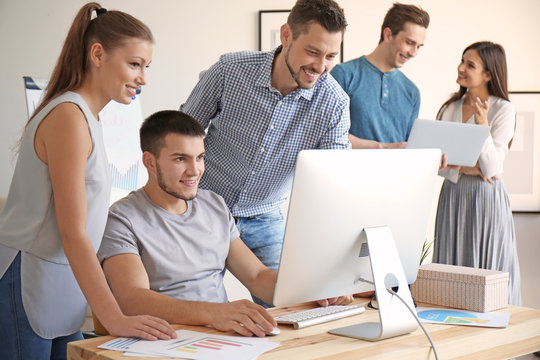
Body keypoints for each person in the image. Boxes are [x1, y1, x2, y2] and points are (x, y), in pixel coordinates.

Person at [0, 3, 176, 359]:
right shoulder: (69, 116)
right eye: (134, 64)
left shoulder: (87, 116)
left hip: (61, 280)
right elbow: (73, 231)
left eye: (146, 67)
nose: (143, 78)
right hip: (32, 277)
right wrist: (114, 317)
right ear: (98, 54)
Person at [97, 110, 353, 337]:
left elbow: (256, 275)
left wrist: (311, 290)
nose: (195, 170)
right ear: (150, 162)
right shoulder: (122, 218)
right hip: (166, 340)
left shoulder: (214, 205)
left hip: (222, 338)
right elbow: (132, 299)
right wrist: (214, 314)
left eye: (199, 157)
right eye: (180, 159)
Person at [180, 0, 350, 307]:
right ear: (286, 35)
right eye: (312, 51)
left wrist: (332, 266)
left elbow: (333, 184)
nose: (320, 66)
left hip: (266, 213)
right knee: (194, 307)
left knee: (292, 308)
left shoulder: (334, 103)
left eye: (330, 56)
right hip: (204, 207)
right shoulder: (230, 71)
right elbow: (181, 135)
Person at [433, 41, 521, 305]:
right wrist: (469, 167)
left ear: (488, 74)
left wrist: (482, 126)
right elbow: (440, 165)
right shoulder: (449, 108)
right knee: (451, 272)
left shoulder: (503, 109)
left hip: (485, 199)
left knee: (487, 274)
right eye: (462, 61)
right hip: (453, 194)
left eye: (469, 64)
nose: (461, 68)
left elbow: (492, 168)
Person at [330, 3, 430, 149]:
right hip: (348, 171)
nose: (414, 53)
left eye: (419, 46)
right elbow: (326, 133)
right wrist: (382, 147)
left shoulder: (412, 92)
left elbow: (409, 147)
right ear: (388, 34)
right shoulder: (344, 75)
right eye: (409, 43)